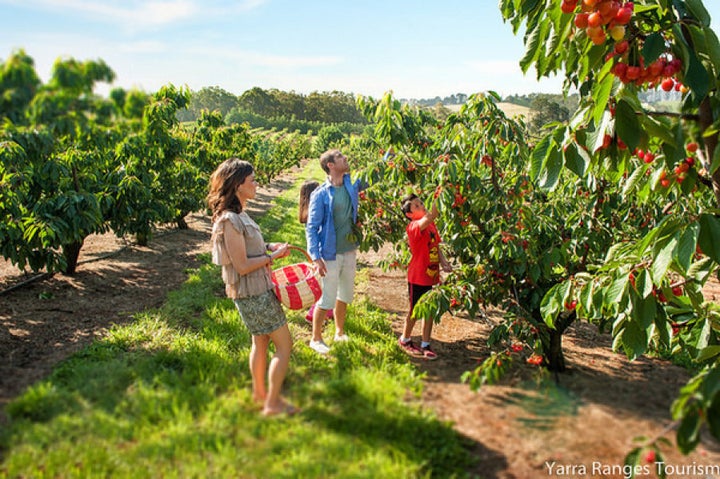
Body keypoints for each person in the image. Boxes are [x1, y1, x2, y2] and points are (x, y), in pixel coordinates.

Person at [208, 158, 297, 416]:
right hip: (253, 292)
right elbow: (243, 265)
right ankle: (272, 404)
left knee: (260, 343)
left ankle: (260, 396)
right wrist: (273, 258)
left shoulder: (239, 214)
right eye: (252, 180)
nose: (256, 183)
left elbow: (249, 247)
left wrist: (269, 246)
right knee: (284, 345)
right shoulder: (228, 220)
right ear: (238, 185)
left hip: (255, 289)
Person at [305, 149, 363, 354]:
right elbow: (311, 227)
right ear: (330, 165)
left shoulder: (350, 183)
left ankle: (339, 332)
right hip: (330, 253)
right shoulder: (321, 194)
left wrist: (388, 157)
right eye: (340, 157)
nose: (345, 158)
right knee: (327, 297)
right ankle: (316, 338)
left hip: (349, 251)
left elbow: (372, 177)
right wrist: (316, 257)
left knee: (345, 293)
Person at [398, 192, 452, 360]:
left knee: (429, 311)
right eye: (416, 206)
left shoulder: (430, 226)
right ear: (409, 215)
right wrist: (442, 191)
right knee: (415, 310)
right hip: (418, 276)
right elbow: (433, 214)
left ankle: (425, 344)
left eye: (421, 203)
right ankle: (405, 339)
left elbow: (436, 245)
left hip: (431, 276)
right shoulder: (413, 227)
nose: (421, 206)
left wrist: (443, 262)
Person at [298, 179, 333, 325]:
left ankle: (325, 313)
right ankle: (315, 315)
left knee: (324, 284)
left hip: (316, 253)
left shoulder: (307, 213)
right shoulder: (316, 214)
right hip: (321, 253)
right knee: (326, 285)